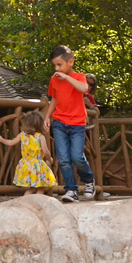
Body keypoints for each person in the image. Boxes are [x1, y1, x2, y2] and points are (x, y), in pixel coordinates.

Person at [42, 46, 94, 203]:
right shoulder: (54, 80)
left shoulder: (79, 77)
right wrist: (47, 117)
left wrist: (67, 78)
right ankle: (71, 190)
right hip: (59, 123)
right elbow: (54, 99)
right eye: (55, 65)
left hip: (77, 123)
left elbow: (85, 89)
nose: (56, 68)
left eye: (59, 65)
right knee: (64, 158)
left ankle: (88, 179)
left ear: (70, 62)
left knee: (77, 156)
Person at [0, 110, 57, 195]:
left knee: (32, 188)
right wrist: (50, 159)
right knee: (41, 187)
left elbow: (10, 142)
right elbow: (46, 151)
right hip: (37, 166)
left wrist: (1, 139)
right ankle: (38, 203)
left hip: (26, 165)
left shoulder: (22, 135)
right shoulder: (40, 137)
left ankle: (25, 201)